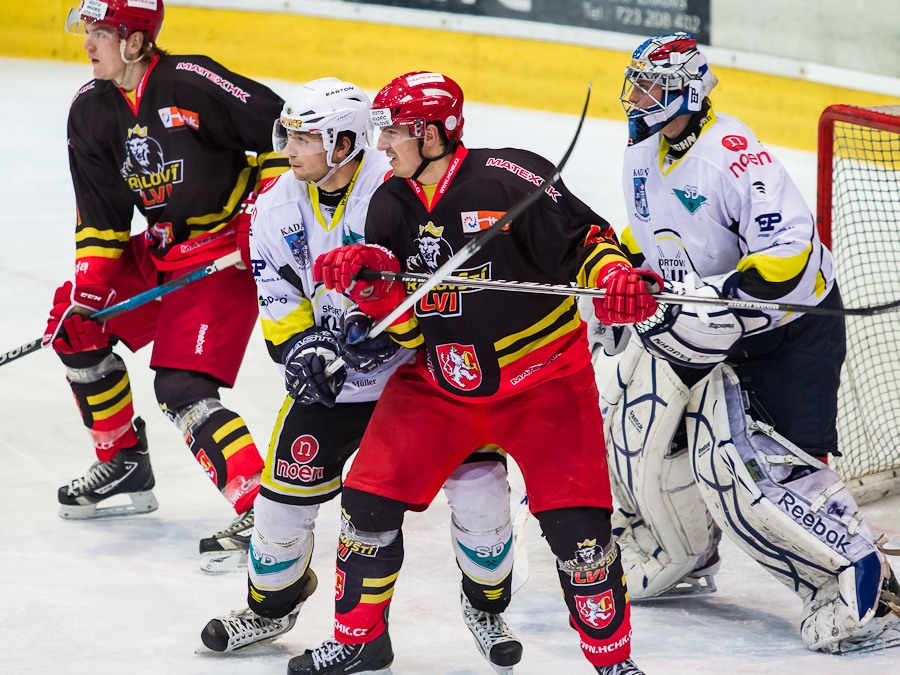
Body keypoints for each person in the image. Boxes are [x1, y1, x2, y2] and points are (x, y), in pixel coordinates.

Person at [292, 71, 660, 675]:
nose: (381, 144)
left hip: (543, 382)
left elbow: (587, 243)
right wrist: (373, 287)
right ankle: (361, 640)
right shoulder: (389, 203)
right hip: (438, 385)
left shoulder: (510, 178)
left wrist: (616, 280)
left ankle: (613, 663)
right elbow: (408, 330)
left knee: (580, 535)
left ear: (432, 135)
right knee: (367, 502)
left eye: (394, 132)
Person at [197, 77, 524, 673]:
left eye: (304, 139)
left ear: (345, 142)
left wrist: (396, 333)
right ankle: (271, 609)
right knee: (280, 502)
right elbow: (279, 302)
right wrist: (302, 353)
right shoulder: (272, 206)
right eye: (288, 135)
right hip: (336, 380)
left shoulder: (397, 189)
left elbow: (433, 288)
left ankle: (486, 605)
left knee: (481, 490)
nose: (288, 149)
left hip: (421, 378)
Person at [601, 31, 900, 654]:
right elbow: (648, 233)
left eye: (652, 87)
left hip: (790, 329)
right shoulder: (642, 152)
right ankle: (682, 553)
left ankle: (876, 593)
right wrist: (624, 274)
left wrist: (715, 293)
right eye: (637, 84)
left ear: (688, 90)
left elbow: (788, 255)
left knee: (781, 469)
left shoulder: (734, 155)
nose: (637, 97)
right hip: (709, 330)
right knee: (643, 430)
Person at [44, 0, 287, 571]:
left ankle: (264, 512)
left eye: (101, 33)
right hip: (161, 250)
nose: (88, 44)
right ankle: (124, 461)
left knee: (182, 386)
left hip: (225, 251)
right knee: (73, 328)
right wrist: (89, 290)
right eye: (87, 31)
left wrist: (262, 213)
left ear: (135, 41)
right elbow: (100, 217)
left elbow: (283, 132)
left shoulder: (192, 81)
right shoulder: (91, 110)